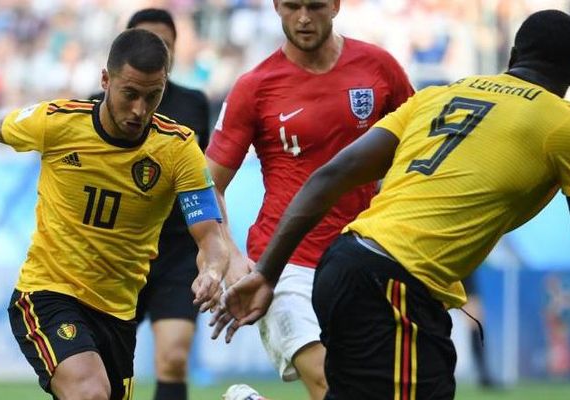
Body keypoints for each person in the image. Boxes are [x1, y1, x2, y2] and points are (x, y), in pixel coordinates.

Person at [212, 9, 570, 399]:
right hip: (392, 280)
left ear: (513, 56)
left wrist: (266, 272)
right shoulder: (560, 124)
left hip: (350, 260)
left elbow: (331, 175)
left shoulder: (441, 95)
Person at [0, 29, 227, 400]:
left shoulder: (178, 148)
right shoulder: (58, 122)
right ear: (105, 80)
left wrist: (213, 269)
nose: (140, 109)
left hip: (118, 313)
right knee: (91, 392)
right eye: (130, 94)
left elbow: (209, 235)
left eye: (152, 96)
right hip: (48, 292)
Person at [206, 1, 413, 399]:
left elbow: (419, 145)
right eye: (292, 6)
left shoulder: (379, 67)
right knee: (326, 383)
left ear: (335, 6)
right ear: (276, 7)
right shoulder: (256, 86)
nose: (303, 17)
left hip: (362, 259)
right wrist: (228, 254)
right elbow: (207, 184)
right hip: (284, 263)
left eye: (315, 5)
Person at [90, 9, 210, 400]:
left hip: (175, 252)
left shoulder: (193, 104)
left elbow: (203, 183)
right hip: (116, 252)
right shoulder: (91, 109)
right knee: (102, 372)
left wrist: (215, 247)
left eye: (165, 46)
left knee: (173, 358)